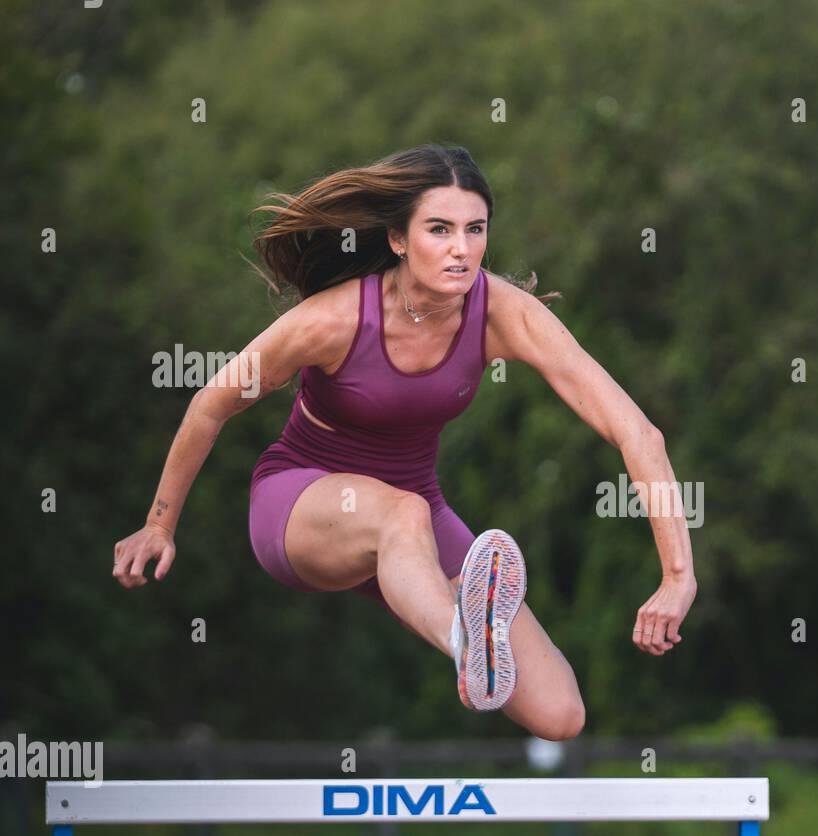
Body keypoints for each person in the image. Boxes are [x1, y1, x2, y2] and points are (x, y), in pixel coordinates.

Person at [111, 143, 697, 741]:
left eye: (475, 230)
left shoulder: (502, 313)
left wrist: (677, 574)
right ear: (397, 239)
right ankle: (464, 641)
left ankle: (462, 630)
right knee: (403, 512)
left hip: (415, 518)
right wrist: (159, 524)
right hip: (302, 506)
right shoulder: (334, 319)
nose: (461, 249)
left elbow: (637, 433)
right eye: (439, 230)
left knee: (560, 714)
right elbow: (210, 404)